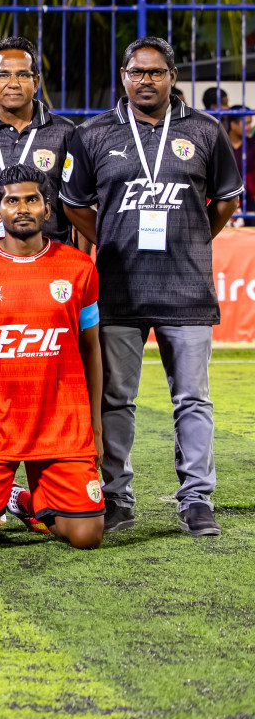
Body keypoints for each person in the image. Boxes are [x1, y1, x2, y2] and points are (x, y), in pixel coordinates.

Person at [60, 37, 243, 537]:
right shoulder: (94, 133)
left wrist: (194, 237)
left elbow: (226, 199)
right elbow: (74, 205)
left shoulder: (204, 130)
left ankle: (197, 500)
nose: (146, 80)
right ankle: (117, 497)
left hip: (186, 289)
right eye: (137, 72)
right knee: (116, 399)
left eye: (156, 72)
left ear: (172, 77)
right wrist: (114, 240)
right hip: (119, 289)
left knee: (193, 399)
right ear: (123, 76)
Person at [0, 165, 105, 550]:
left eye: (32, 199)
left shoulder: (79, 268)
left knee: (86, 537)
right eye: (12, 201)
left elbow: (91, 347)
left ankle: (27, 500)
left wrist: (95, 425)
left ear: (48, 209)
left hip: (62, 424)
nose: (23, 208)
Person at [0, 36, 75, 248]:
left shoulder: (65, 132)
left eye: (22, 75)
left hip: (50, 260)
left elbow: (77, 203)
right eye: (3, 75)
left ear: (36, 82)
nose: (13, 83)